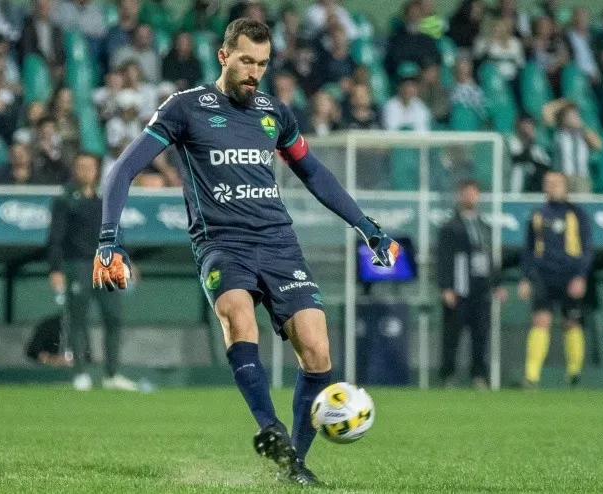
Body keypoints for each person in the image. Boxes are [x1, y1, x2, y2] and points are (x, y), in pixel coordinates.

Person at [92, 19, 399, 486]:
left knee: (317, 350)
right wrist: (108, 240)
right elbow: (124, 169)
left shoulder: (275, 113)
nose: (254, 71)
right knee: (239, 317)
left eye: (262, 63)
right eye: (246, 61)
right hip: (221, 242)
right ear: (224, 56)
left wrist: (366, 226)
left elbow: (314, 174)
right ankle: (268, 427)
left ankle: (292, 462)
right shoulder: (186, 108)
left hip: (278, 242)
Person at [48, 153, 138, 391]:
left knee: (113, 317)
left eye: (89, 167)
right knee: (78, 319)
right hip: (77, 264)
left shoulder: (106, 198)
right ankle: (80, 373)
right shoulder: (65, 200)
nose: (84, 171)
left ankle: (112, 374)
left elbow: (116, 231)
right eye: (80, 166)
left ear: (96, 171)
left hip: (108, 262)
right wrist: (56, 269)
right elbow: (54, 238)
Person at [518, 171, 593, 388]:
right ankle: (531, 376)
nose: (551, 187)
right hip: (543, 275)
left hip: (570, 276)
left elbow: (587, 248)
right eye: (548, 183)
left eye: (556, 183)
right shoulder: (538, 214)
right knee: (540, 321)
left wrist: (581, 276)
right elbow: (529, 248)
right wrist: (525, 278)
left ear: (565, 187)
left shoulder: (578, 214)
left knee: (571, 323)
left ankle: (573, 373)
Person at [437, 180, 507, 389]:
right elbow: (444, 258)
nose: (470, 197)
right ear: (460, 195)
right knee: (452, 336)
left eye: (474, 193)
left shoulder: (484, 226)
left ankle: (479, 376)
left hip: (481, 289)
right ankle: (447, 375)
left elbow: (489, 258)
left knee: (481, 335)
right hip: (459, 288)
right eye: (466, 193)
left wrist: (497, 284)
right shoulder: (450, 227)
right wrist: (445, 286)